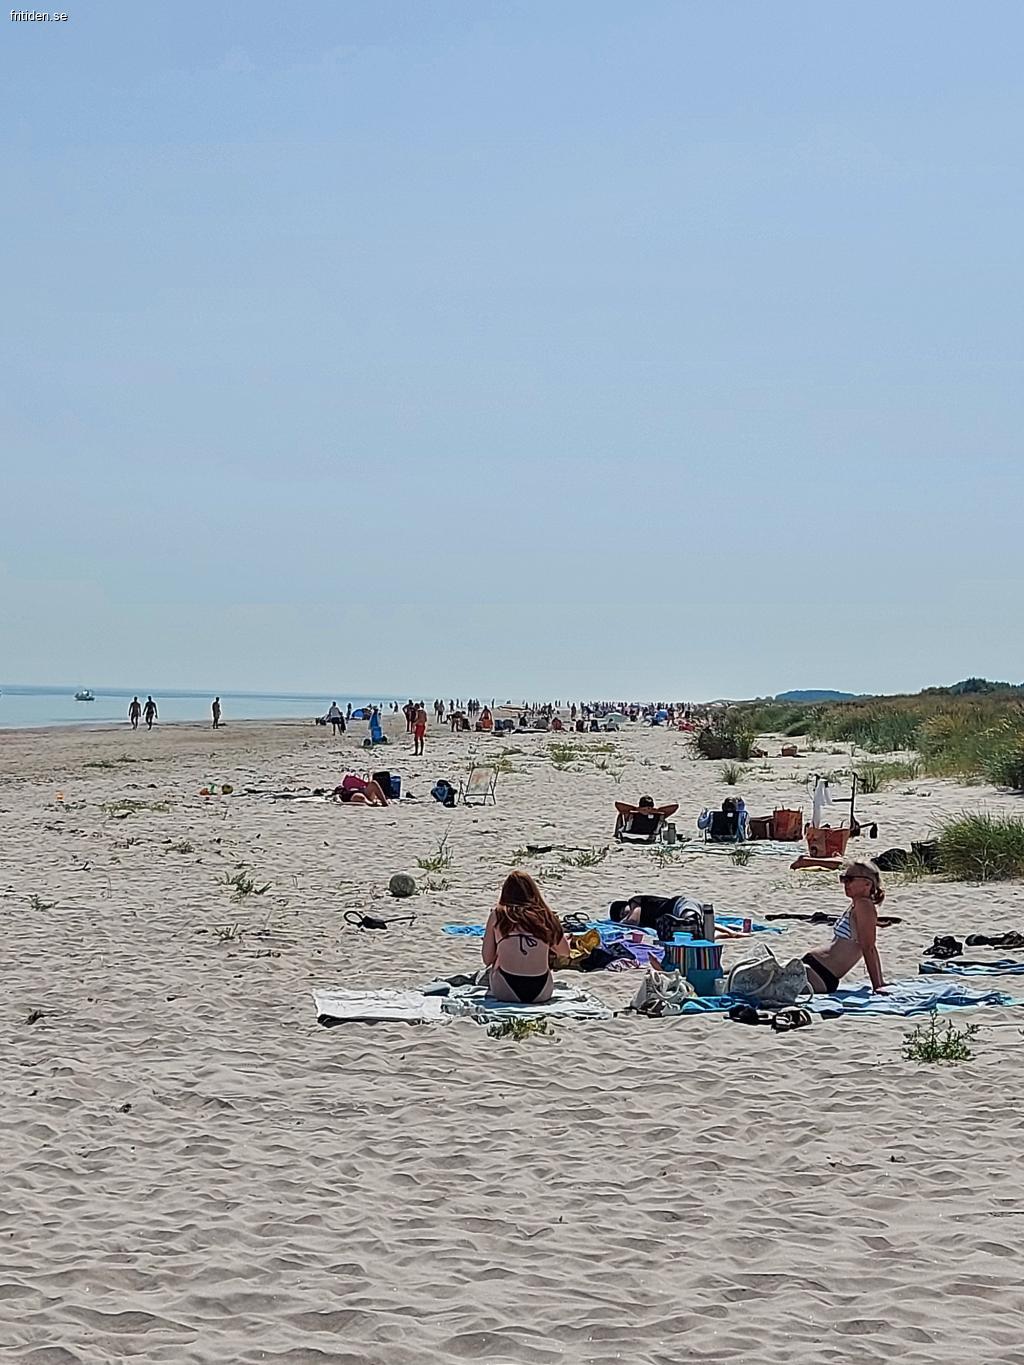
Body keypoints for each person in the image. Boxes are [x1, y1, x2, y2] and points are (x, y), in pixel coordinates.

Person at [482, 872, 570, 1004]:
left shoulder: (498, 915)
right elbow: (565, 952)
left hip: (506, 989)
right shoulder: (545, 915)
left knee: (497, 961)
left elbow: (487, 959)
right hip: (541, 991)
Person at [802, 860, 887, 994]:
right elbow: (870, 946)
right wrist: (880, 982)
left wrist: (877, 985)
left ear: (867, 883)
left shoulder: (864, 905)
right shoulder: (857, 905)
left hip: (821, 973)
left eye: (850, 879)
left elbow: (868, 947)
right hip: (817, 969)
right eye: (843, 879)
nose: (845, 884)